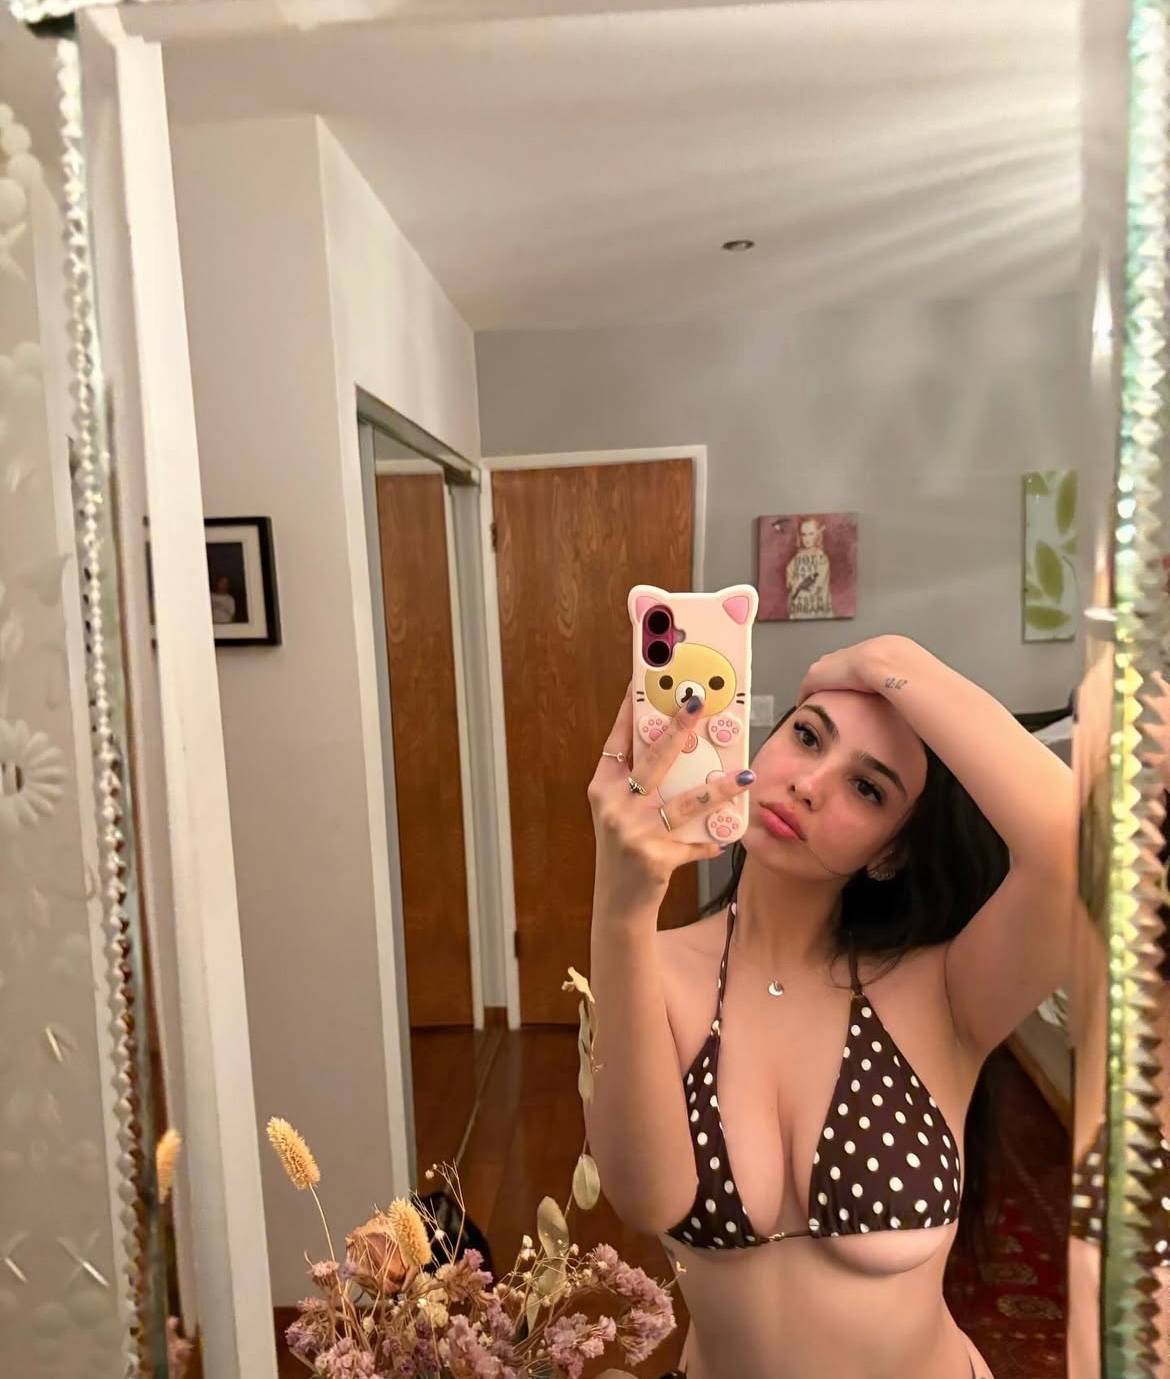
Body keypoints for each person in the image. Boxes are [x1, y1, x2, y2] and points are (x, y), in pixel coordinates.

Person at [585, 634, 1075, 1379]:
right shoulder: (648, 969)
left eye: (868, 788)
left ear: (890, 852)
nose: (811, 784)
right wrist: (621, 910)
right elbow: (645, 1198)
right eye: (808, 736)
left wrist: (886, 659)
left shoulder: (945, 991)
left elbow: (1074, 846)